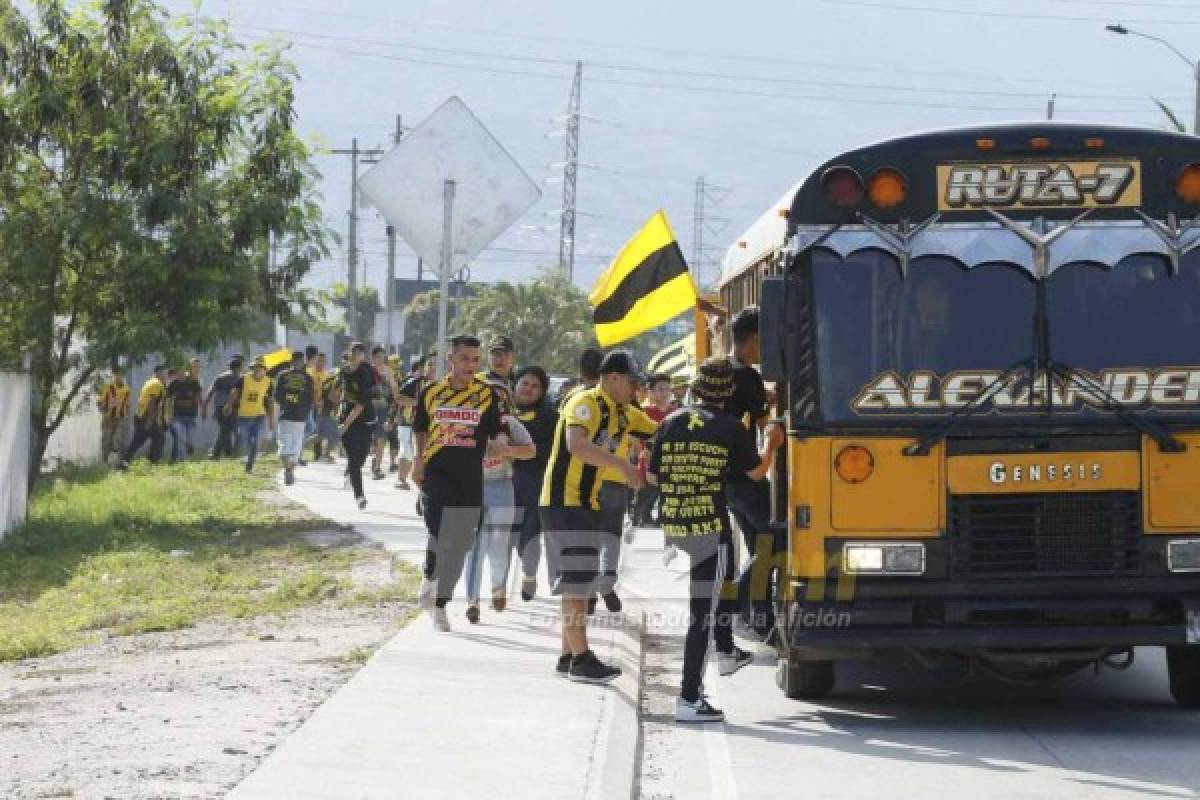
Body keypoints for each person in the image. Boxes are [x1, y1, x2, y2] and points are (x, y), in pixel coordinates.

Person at [648, 357, 784, 723]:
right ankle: (689, 697)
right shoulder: (730, 427)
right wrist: (771, 444)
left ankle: (726, 653)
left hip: (676, 523)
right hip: (708, 526)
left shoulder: (672, 421)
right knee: (702, 614)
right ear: (729, 392)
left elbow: (652, 476)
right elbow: (754, 474)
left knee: (717, 592)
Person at [540, 350, 645, 684]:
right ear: (612, 377)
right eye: (632, 382)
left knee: (579, 584)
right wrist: (623, 466)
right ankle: (582, 661)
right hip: (564, 501)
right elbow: (576, 445)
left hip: (586, 504)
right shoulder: (585, 403)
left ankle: (567, 655)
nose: (636, 389)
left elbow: (661, 427)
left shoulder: (624, 412)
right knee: (577, 584)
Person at [412, 335, 505, 633]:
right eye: (465, 359)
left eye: (476, 360)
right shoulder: (431, 392)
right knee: (440, 532)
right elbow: (421, 429)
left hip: (470, 478)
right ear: (450, 359)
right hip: (437, 473)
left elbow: (497, 430)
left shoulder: (487, 394)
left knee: (462, 544)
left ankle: (440, 602)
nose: (471, 365)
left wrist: (500, 444)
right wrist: (418, 462)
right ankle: (430, 578)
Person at [725, 306, 781, 641]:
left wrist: (765, 399)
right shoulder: (747, 376)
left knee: (756, 541)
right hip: (746, 474)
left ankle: (759, 618)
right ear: (754, 339)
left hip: (726, 477)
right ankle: (736, 604)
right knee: (775, 540)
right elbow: (763, 423)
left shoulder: (722, 370)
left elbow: (750, 406)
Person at [462, 380, 535, 624]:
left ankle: (497, 586)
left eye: (496, 398)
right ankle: (472, 600)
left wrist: (507, 450)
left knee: (500, 540)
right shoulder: (466, 422)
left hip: (502, 485)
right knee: (474, 545)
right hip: (472, 487)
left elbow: (531, 450)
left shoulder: (509, 423)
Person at [594, 373, 657, 613]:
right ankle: (606, 584)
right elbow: (657, 433)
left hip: (593, 481)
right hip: (614, 482)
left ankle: (590, 588)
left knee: (593, 537)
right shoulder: (631, 414)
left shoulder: (595, 407)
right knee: (611, 537)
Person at [511, 366, 559, 601]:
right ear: (515, 384)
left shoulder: (549, 417)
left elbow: (547, 452)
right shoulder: (500, 411)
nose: (528, 390)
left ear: (542, 391)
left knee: (529, 534)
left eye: (535, 386)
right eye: (525, 383)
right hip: (501, 482)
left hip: (533, 482)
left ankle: (529, 575)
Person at [338, 342, 377, 508]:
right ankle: (360, 496)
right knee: (354, 459)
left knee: (361, 458)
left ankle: (350, 472)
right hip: (348, 418)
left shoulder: (365, 373)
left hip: (365, 419)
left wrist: (346, 423)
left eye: (360, 353)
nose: (356, 356)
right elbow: (343, 392)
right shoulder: (344, 371)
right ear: (350, 353)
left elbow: (361, 404)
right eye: (354, 353)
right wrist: (341, 416)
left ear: (363, 356)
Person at [633, 373, 674, 526]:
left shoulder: (673, 412)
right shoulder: (644, 411)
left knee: (661, 491)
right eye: (660, 389)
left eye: (667, 390)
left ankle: (657, 517)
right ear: (650, 391)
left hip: (668, 460)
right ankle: (637, 517)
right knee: (646, 491)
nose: (664, 393)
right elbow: (636, 438)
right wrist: (640, 454)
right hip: (648, 457)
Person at [226, 358, 275, 474]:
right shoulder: (244, 379)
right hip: (244, 416)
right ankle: (249, 457)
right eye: (255, 369)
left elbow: (270, 401)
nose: (257, 371)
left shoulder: (268, 382)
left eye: (260, 369)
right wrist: (228, 406)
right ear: (252, 369)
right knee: (245, 440)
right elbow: (234, 392)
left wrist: (271, 419)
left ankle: (250, 465)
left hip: (259, 415)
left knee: (255, 441)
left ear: (264, 370)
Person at [274, 351, 315, 486]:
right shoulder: (308, 378)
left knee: (284, 446)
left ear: (291, 361)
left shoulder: (282, 375)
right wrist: (303, 409)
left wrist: (287, 403)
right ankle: (290, 469)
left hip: (286, 416)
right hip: (300, 418)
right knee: (295, 448)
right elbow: (310, 399)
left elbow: (277, 396)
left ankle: (288, 469)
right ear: (302, 361)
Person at [392, 356, 431, 490]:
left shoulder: (443, 385)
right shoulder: (414, 383)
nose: (433, 368)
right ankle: (401, 479)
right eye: (429, 365)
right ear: (422, 368)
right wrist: (417, 403)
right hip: (408, 424)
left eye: (436, 365)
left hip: (429, 427)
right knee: (407, 451)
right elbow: (398, 398)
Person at [120, 365, 168, 468]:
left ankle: (125, 463)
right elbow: (152, 403)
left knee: (139, 441)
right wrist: (150, 422)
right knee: (159, 438)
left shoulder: (151, 382)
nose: (166, 376)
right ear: (159, 373)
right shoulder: (157, 384)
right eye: (165, 374)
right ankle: (152, 463)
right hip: (146, 418)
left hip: (141, 416)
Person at [369, 346, 400, 481]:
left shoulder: (389, 371)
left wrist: (396, 408)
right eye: (378, 357)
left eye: (382, 357)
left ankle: (377, 468)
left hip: (383, 410)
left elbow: (394, 390)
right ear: (373, 358)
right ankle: (373, 457)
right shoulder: (368, 370)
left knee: (381, 438)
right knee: (371, 439)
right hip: (368, 409)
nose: (380, 359)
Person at [204, 357, 244, 459]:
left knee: (226, 430)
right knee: (226, 431)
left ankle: (228, 454)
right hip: (231, 408)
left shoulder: (220, 377)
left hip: (218, 407)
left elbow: (211, 391)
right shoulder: (240, 378)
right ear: (239, 367)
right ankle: (215, 453)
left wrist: (205, 405)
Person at [167, 359, 203, 462]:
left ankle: (186, 455)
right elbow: (168, 400)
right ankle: (182, 460)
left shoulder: (193, 382)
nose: (180, 373)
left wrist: (203, 408)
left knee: (190, 440)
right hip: (177, 416)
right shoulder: (173, 384)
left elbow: (199, 396)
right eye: (177, 371)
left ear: (185, 371)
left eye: (181, 371)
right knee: (181, 438)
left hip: (191, 415)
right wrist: (168, 414)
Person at [97, 368, 131, 466]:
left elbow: (127, 404)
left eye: (121, 375)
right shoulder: (108, 387)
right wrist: (104, 415)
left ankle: (119, 463)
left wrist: (124, 416)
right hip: (108, 418)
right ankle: (104, 461)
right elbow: (99, 402)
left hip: (120, 419)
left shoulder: (127, 389)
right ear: (114, 376)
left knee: (119, 440)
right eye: (117, 375)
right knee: (106, 440)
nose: (119, 377)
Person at [312, 354, 340, 463]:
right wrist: (341, 401)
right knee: (334, 435)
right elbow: (330, 397)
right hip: (327, 413)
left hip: (324, 412)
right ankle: (326, 455)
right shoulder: (333, 382)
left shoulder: (327, 381)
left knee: (321, 435)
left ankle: (301, 445)